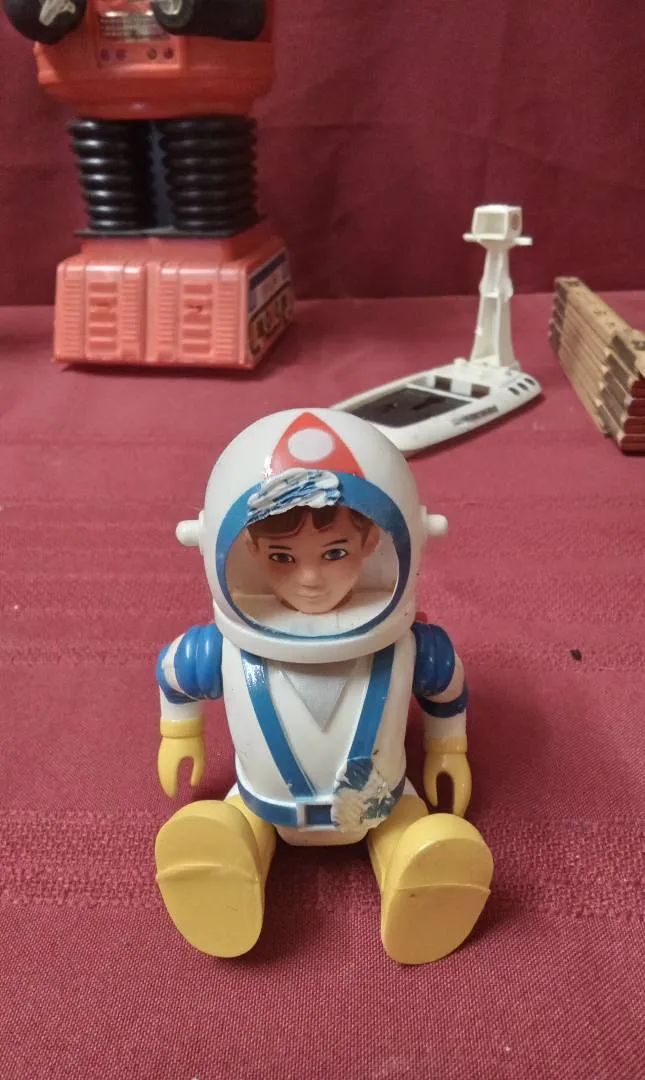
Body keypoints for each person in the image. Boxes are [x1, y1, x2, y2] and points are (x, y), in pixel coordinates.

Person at [155, 408, 493, 963]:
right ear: (243, 551)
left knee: (407, 828)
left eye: (335, 553)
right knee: (235, 826)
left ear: (376, 543)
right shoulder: (223, 649)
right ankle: (224, 860)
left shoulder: (410, 647)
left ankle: (419, 869)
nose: (310, 579)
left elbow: (446, 690)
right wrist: (179, 736)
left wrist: (448, 749)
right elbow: (175, 676)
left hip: (380, 801)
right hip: (264, 801)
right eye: (282, 558)